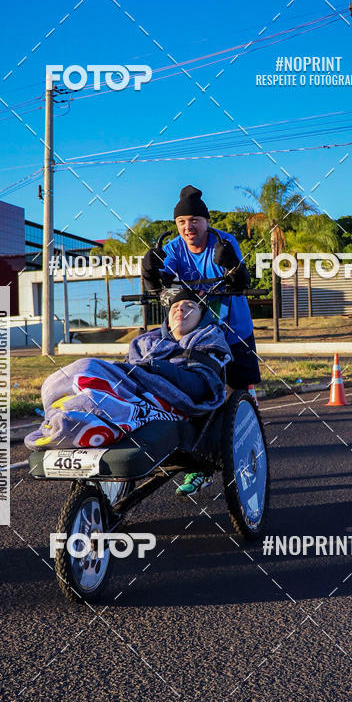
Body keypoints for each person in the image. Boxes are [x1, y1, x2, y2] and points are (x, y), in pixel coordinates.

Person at [142, 183, 261, 493]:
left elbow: (241, 280)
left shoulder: (224, 240)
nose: (188, 227)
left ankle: (243, 443)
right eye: (181, 222)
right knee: (198, 389)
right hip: (196, 333)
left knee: (236, 392)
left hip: (234, 328)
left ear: (206, 221)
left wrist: (232, 266)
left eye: (194, 220)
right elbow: (163, 283)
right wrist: (150, 271)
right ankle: (202, 461)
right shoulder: (174, 249)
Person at [25, 290, 231, 453]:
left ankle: (80, 424)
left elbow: (199, 388)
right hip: (133, 389)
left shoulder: (207, 340)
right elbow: (125, 374)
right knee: (76, 375)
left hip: (170, 402)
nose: (181, 309)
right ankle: (70, 417)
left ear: (202, 316)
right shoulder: (145, 341)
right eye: (175, 306)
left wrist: (155, 367)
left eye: (190, 306)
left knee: (87, 367)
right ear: (167, 317)